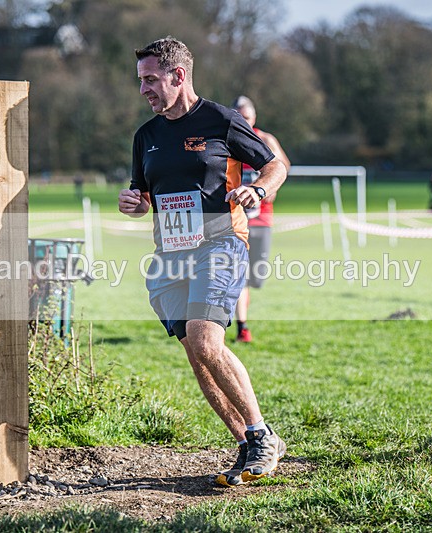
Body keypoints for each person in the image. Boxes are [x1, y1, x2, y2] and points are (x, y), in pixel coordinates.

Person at [118, 37, 288, 487]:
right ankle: (247, 444)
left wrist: (258, 189)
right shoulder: (146, 136)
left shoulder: (220, 120)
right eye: (141, 81)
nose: (144, 90)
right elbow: (145, 195)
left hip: (220, 243)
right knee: (197, 354)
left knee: (205, 339)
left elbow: (274, 166)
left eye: (151, 80)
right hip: (171, 255)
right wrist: (134, 203)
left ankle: (261, 434)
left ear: (179, 76)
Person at [230, 95, 291, 343]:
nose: (243, 122)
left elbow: (283, 167)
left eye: (246, 117)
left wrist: (267, 190)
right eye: (239, 117)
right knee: (239, 276)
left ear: (254, 117)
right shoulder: (227, 141)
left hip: (262, 219)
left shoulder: (266, 140)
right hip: (235, 221)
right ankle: (241, 327)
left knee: (255, 278)